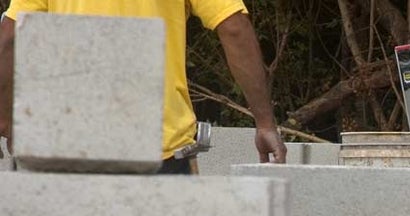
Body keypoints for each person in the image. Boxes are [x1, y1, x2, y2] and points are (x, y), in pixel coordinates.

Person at [0, 0, 286, 174]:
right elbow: (234, 27)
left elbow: (11, 37)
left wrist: (6, 119)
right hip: (158, 148)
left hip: (72, 148)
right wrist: (264, 123)